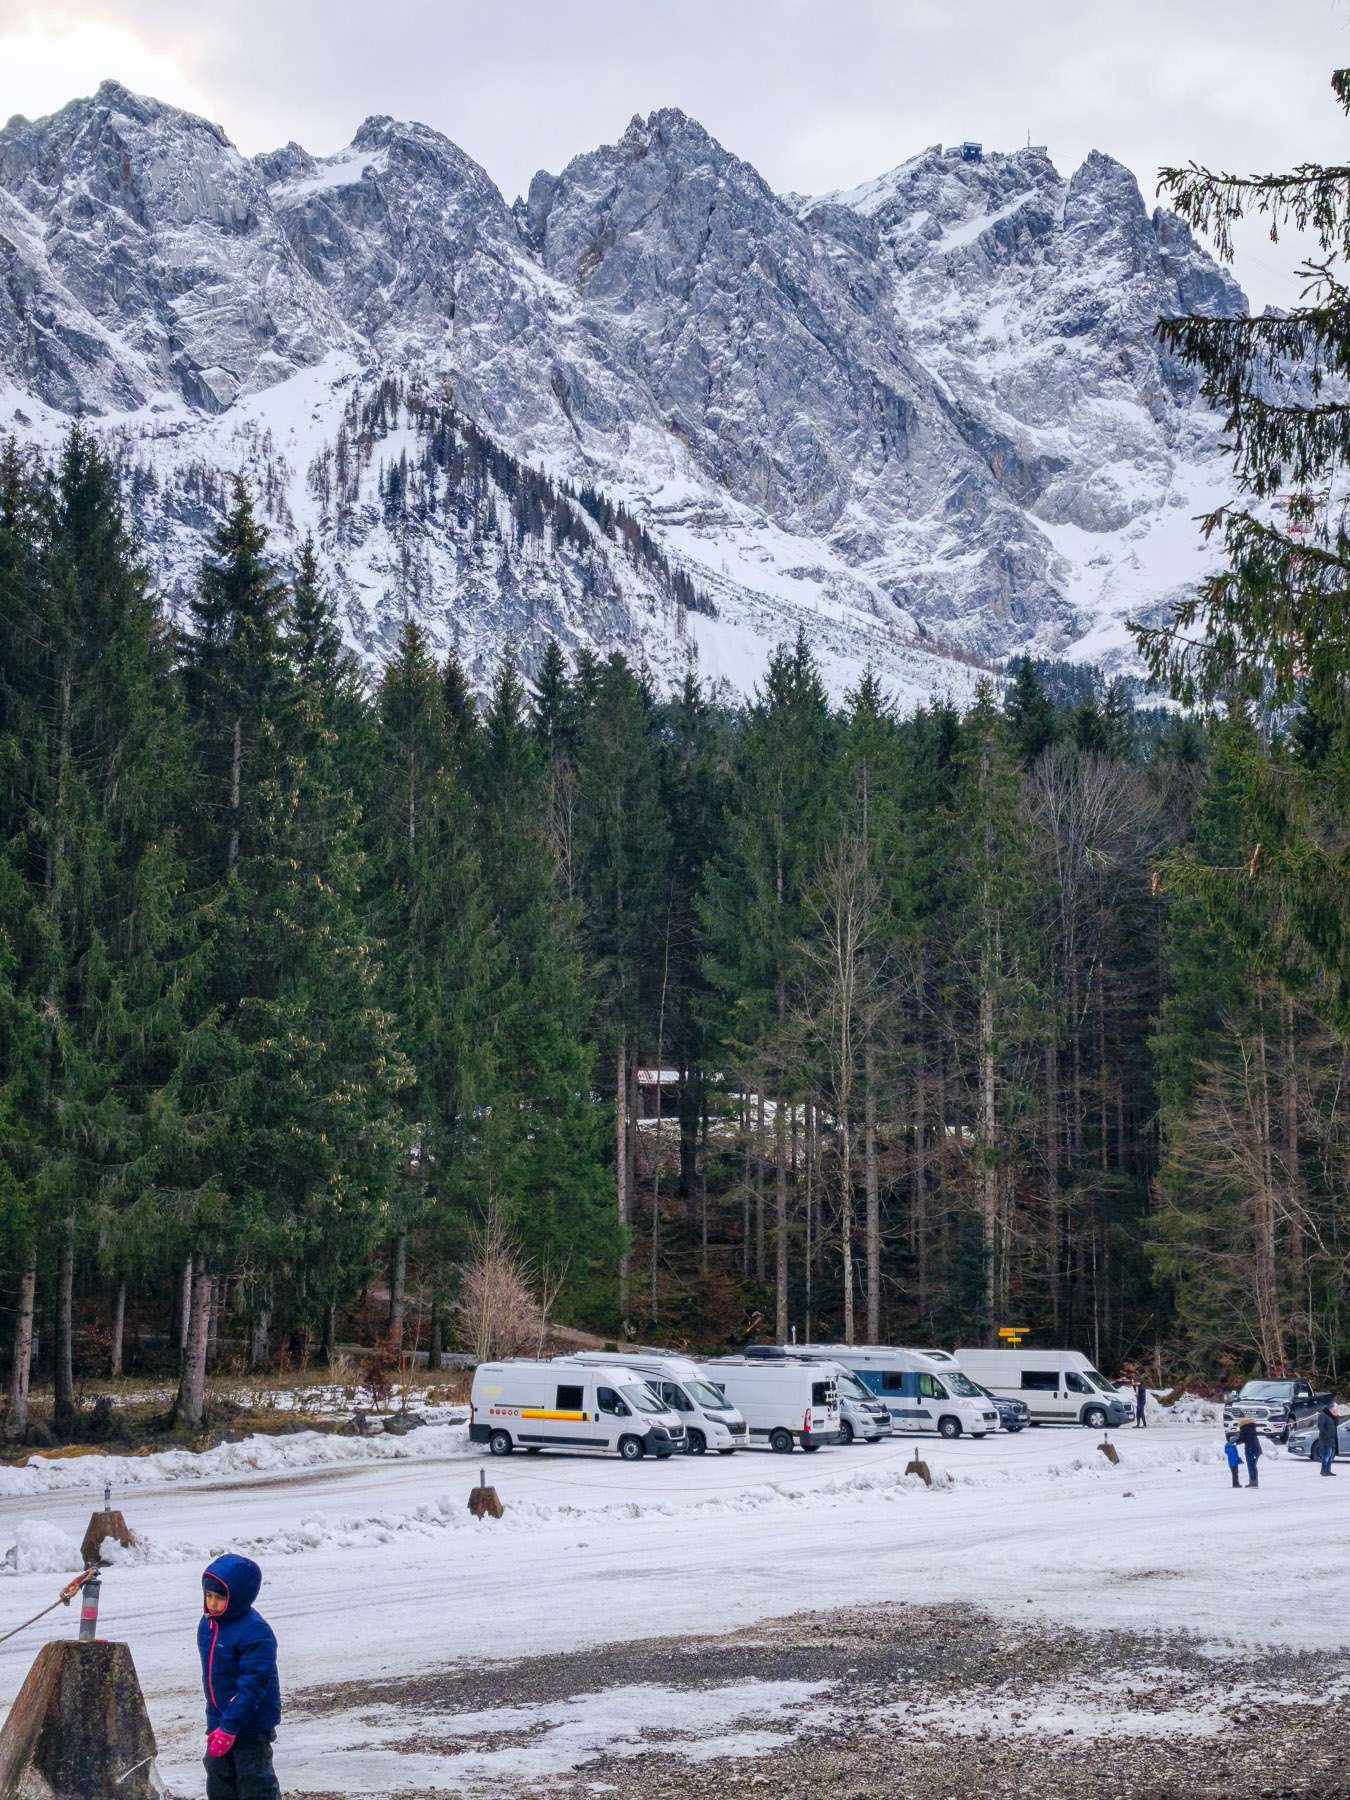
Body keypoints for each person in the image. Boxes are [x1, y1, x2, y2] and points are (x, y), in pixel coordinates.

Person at [198, 1553, 281, 1799]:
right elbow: (214, 1681)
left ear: (238, 1597)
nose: (212, 1604)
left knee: (254, 1782)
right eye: (208, 1596)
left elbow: (252, 1687)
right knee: (219, 1778)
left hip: (250, 1724)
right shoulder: (209, 1625)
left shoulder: (255, 1632)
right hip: (220, 1720)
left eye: (220, 1598)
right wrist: (216, 1723)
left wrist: (230, 1727)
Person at [1235, 1417, 1262, 1490]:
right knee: (1253, 1466)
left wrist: (1235, 1440)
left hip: (1251, 1449)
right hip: (1256, 1449)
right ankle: (1254, 1481)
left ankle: (1253, 1482)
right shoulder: (1251, 1428)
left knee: (1251, 1466)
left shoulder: (1245, 1429)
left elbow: (1241, 1439)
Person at [1317, 1403, 1340, 1478]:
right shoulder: (1323, 1415)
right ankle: (1323, 1471)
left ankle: (1328, 1471)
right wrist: (1326, 1435)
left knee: (1331, 1457)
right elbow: (1320, 1426)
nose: (1336, 1409)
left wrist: (1336, 1416)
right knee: (1326, 1456)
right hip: (1326, 1440)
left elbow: (1336, 1424)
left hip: (1332, 1439)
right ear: (1331, 1408)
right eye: (1335, 1408)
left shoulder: (1332, 1416)